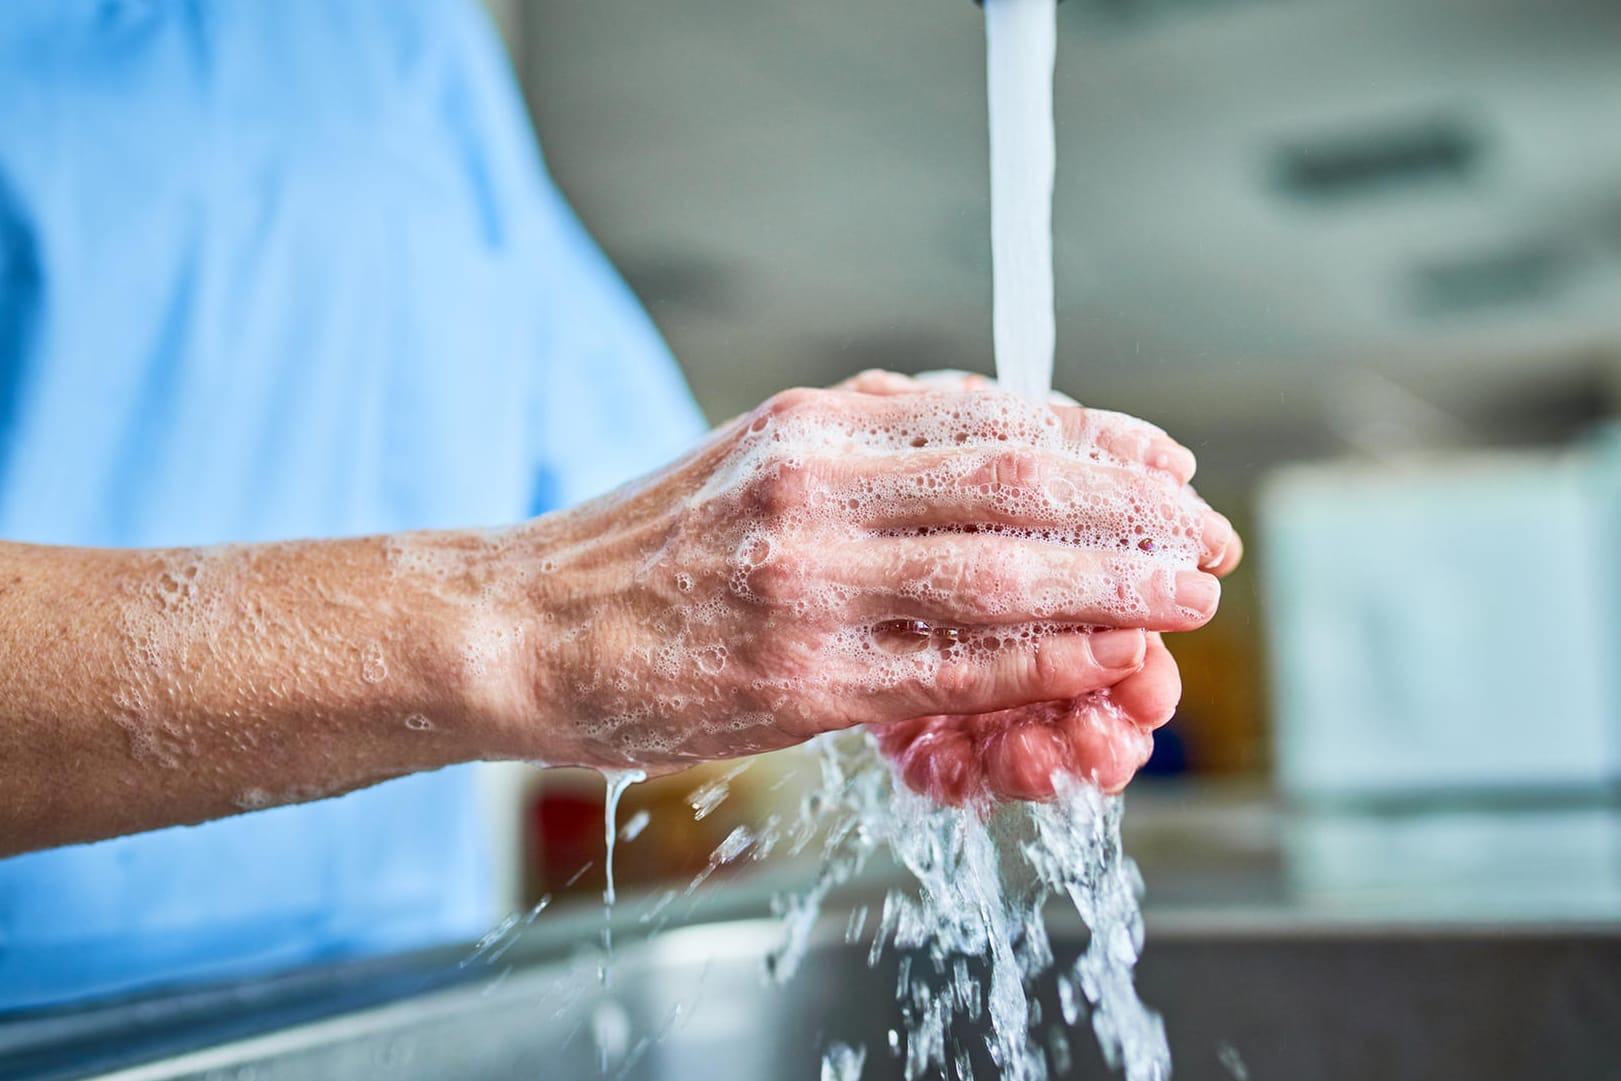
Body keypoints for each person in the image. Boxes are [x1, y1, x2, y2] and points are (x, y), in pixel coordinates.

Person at [0, 1, 1239, 1013]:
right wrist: (530, 625)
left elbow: (641, 511)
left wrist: (874, 553)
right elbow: (576, 590)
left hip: (383, 1011)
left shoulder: (403, 46)